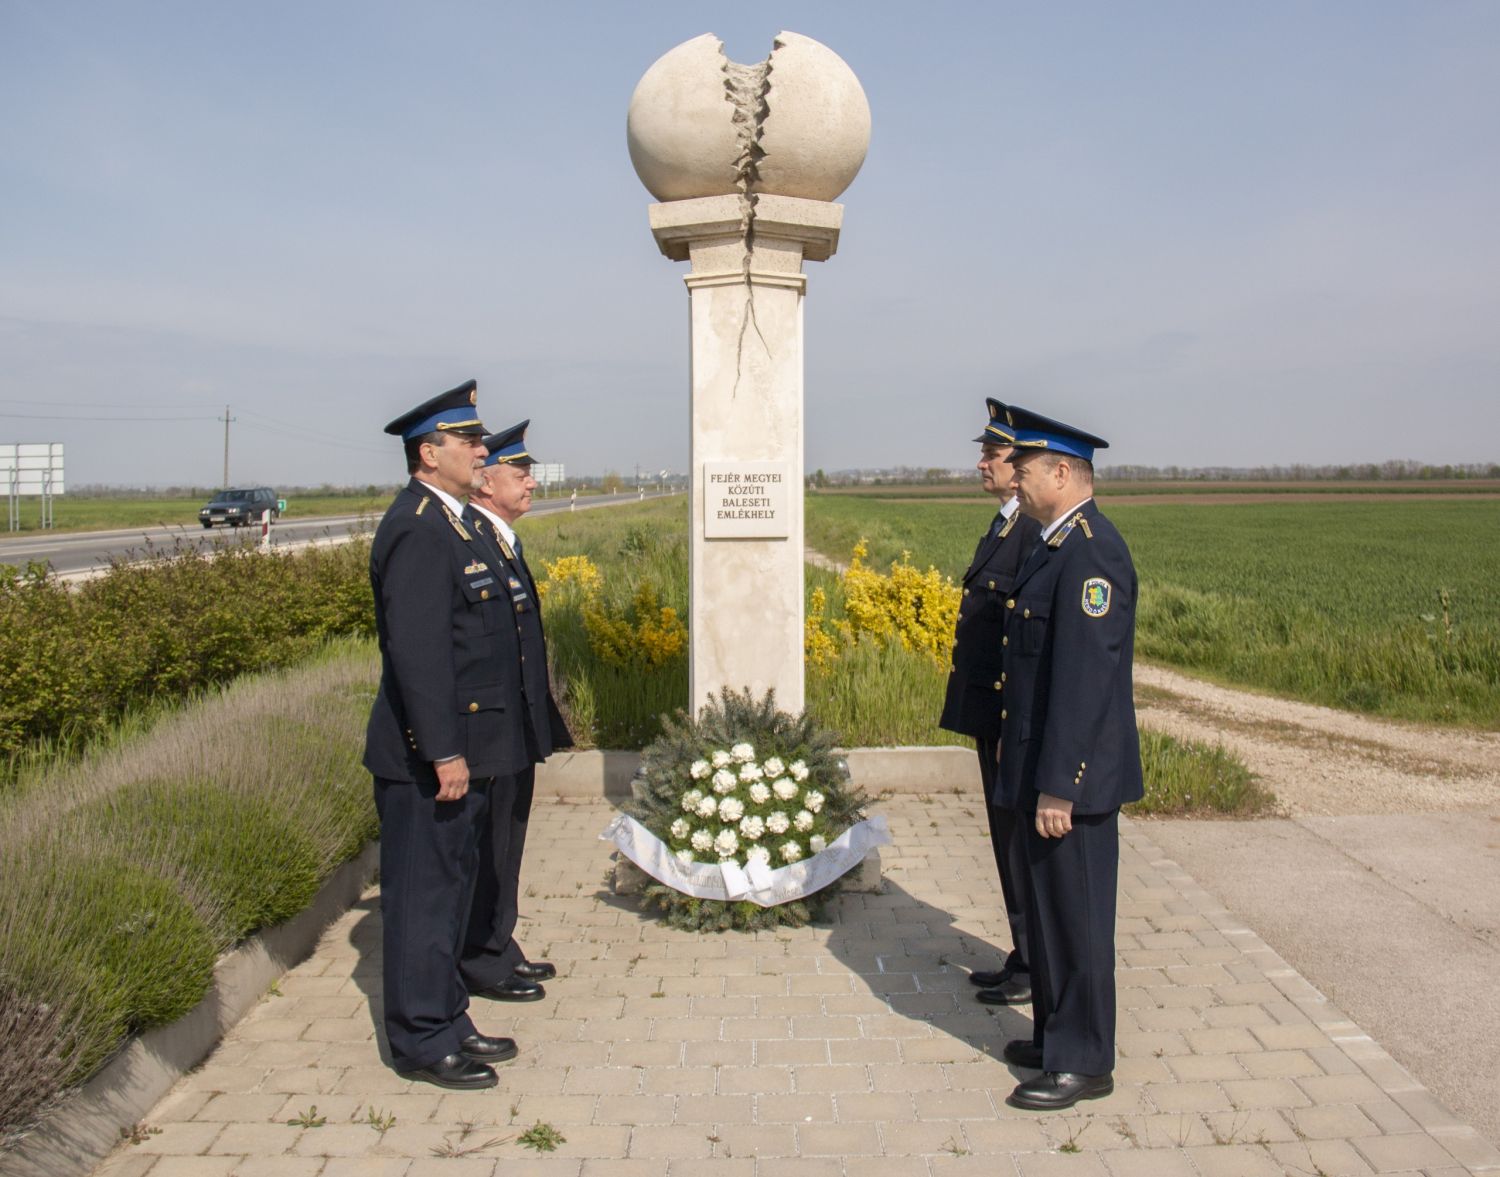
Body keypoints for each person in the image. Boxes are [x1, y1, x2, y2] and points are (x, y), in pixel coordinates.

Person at [364, 379, 520, 1091]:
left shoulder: (453, 522)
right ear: (429, 453)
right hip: (428, 757)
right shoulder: (418, 527)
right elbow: (419, 653)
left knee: (450, 892)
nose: (481, 450)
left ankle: (448, 1015)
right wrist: (445, 750)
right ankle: (421, 1037)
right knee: (424, 896)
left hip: (460, 752)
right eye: (468, 440)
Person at [993, 402, 1143, 1111]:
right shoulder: (1052, 544)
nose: (1013, 480)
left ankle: (1086, 1058)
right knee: (1051, 916)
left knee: (1077, 917)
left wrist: (1060, 786)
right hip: (1039, 770)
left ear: (1062, 471)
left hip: (1070, 781)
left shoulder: (1092, 550)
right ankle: (1056, 1033)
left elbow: (1085, 681)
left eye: (1023, 469)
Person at [459, 420, 573, 1003]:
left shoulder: (501, 537)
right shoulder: (472, 536)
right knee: (490, 842)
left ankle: (498, 944)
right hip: (490, 726)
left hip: (515, 722)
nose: (530, 482)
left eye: (529, 472)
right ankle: (481, 955)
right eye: (519, 472)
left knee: (510, 838)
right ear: (484, 482)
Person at [937, 398, 1042, 1008]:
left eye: (993, 454)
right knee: (1004, 839)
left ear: (1019, 461)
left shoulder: (1029, 531)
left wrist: (1011, 720)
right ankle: (1022, 951)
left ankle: (1033, 960)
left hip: (1006, 715)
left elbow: (1022, 639)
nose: (982, 463)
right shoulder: (1006, 523)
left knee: (1018, 839)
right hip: (988, 710)